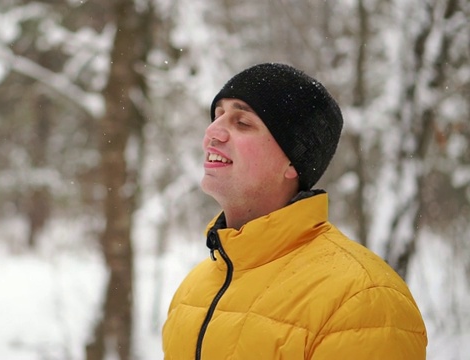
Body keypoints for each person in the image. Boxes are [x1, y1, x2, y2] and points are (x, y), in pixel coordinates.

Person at [162, 63, 427, 359]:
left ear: (292, 161)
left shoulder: (363, 300)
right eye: (217, 116)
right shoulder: (193, 291)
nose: (212, 132)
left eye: (243, 123)